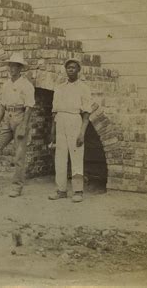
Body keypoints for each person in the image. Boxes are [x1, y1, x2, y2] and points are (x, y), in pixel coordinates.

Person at [0, 52, 35, 198]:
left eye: (16, 66)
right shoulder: (6, 85)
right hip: (7, 118)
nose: (12, 69)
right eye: (11, 66)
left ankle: (16, 187)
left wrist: (24, 126)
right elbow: (2, 106)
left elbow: (29, 107)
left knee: (19, 155)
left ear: (21, 69)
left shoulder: (26, 85)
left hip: (20, 117)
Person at [49, 58, 92, 202]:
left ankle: (78, 191)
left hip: (75, 121)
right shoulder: (60, 88)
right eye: (68, 68)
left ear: (78, 70)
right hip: (60, 121)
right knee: (60, 157)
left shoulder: (84, 88)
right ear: (66, 70)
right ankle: (61, 190)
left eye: (74, 67)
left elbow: (86, 114)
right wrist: (53, 133)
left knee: (76, 156)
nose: (71, 70)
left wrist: (82, 133)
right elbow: (54, 112)